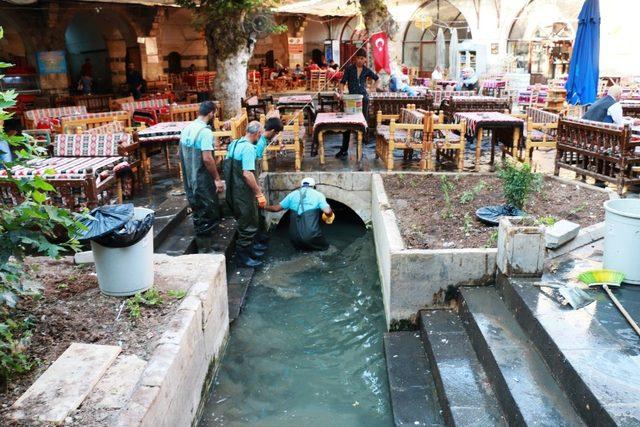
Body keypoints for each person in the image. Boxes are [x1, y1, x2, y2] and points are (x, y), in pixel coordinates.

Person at [179, 101, 225, 253]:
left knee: (198, 209)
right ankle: (205, 249)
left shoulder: (188, 128)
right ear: (211, 113)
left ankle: (208, 244)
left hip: (189, 177)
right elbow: (207, 158)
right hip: (201, 177)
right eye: (215, 113)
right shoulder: (205, 132)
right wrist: (217, 179)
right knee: (206, 210)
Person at [224, 121, 267, 267]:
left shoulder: (234, 143)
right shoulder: (248, 148)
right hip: (243, 191)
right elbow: (247, 174)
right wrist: (258, 193)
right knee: (248, 223)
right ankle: (243, 259)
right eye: (260, 134)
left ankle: (250, 252)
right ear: (256, 134)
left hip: (232, 189)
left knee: (244, 220)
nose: (260, 136)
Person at [265, 177, 334, 251]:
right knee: (328, 250)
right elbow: (327, 211)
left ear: (301, 186)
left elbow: (276, 208)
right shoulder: (318, 195)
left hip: (294, 237)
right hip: (311, 236)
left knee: (301, 251)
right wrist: (329, 216)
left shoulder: (292, 194)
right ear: (314, 187)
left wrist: (264, 207)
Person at [337, 49, 379, 158]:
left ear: (365, 59)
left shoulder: (366, 70)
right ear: (355, 58)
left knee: (362, 123)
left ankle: (362, 150)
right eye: (358, 58)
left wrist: (372, 88)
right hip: (351, 99)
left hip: (363, 99)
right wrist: (341, 93)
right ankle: (344, 149)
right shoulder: (349, 69)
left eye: (362, 58)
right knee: (348, 123)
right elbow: (342, 83)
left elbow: (377, 79)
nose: (360, 60)